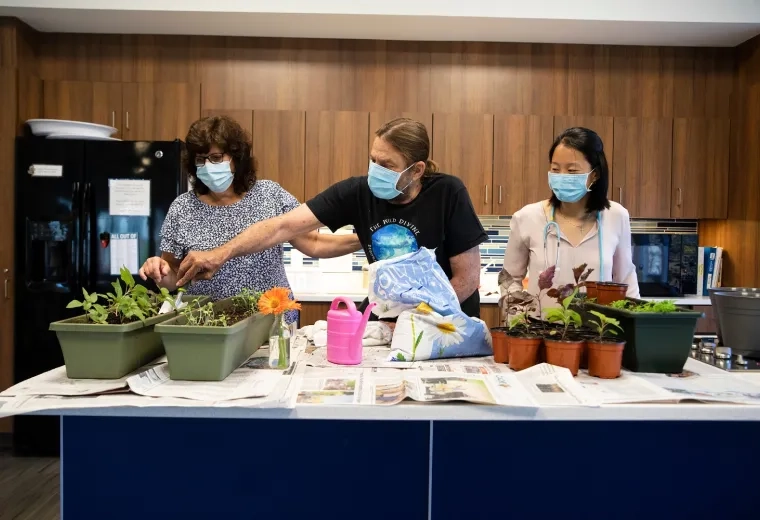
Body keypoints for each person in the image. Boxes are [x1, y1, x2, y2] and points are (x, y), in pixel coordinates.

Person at [174, 117, 488, 318]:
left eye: (386, 165)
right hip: (390, 314)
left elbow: (466, 280)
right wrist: (220, 253)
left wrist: (416, 320)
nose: (374, 171)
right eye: (372, 160)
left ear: (416, 170)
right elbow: (283, 226)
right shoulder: (357, 192)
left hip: (448, 319)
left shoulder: (448, 192)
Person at [139, 115, 360, 323]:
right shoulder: (182, 208)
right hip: (209, 325)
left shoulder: (270, 195)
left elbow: (313, 242)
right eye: (200, 159)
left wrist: (363, 239)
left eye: (216, 158)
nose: (207, 166)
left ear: (237, 158)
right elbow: (175, 275)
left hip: (271, 320)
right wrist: (160, 271)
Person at [498, 126, 639, 319]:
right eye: (555, 169)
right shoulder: (527, 218)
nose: (562, 176)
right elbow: (509, 279)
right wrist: (521, 319)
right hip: (539, 335)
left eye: (572, 171)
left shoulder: (616, 216)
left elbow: (626, 281)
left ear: (595, 174)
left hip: (599, 337)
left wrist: (633, 329)